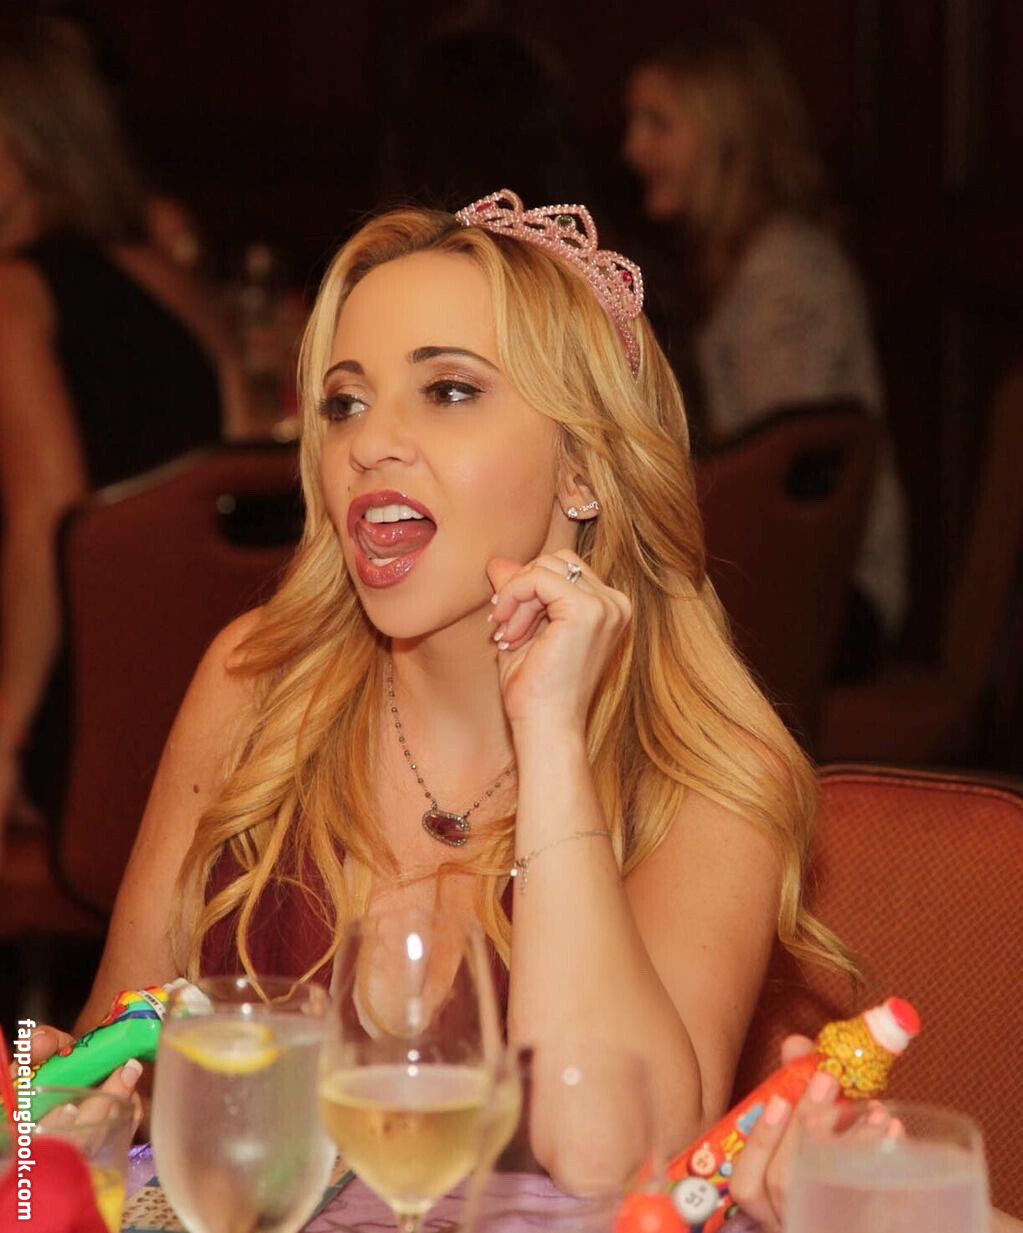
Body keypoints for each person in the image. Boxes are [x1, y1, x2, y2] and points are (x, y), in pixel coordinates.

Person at [18, 187, 901, 1223]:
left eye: (446, 390)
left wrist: (551, 737)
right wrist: (57, 1114)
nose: (369, 443)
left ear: (583, 471)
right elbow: (107, 1059)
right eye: (345, 402)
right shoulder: (255, 685)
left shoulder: (703, 765)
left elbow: (610, 1153)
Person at [0, 16, 249, 832]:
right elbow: (242, 453)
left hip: (78, 727)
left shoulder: (13, 295)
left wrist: (6, 728)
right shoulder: (167, 277)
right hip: (202, 702)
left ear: (27, 146)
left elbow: (46, 516)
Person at [623, 16, 907, 679]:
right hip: (769, 571)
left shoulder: (790, 273)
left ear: (728, 136)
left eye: (658, 124)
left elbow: (791, 475)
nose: (633, 149)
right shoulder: (727, 262)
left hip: (831, 593)